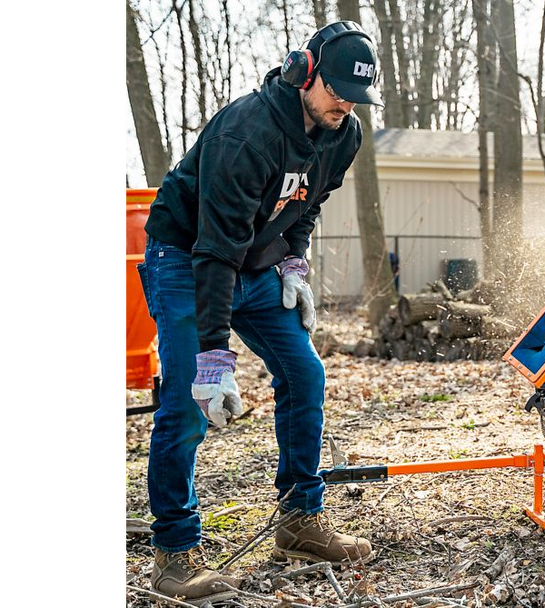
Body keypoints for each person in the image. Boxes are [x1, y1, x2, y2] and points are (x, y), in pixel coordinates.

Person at [137, 21, 383, 605]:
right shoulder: (247, 132)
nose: (345, 105)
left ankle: (299, 520)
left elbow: (307, 204)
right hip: (186, 258)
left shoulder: (342, 133)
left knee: (305, 374)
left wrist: (293, 263)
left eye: (356, 95)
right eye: (337, 90)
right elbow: (214, 247)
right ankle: (175, 553)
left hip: (255, 261)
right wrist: (215, 354)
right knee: (185, 401)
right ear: (305, 72)